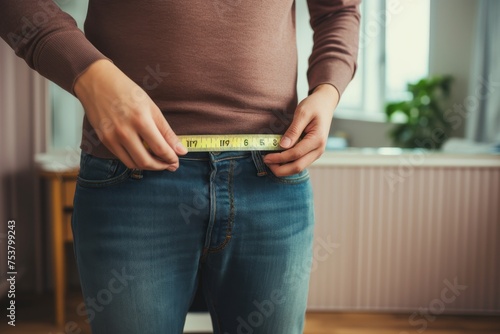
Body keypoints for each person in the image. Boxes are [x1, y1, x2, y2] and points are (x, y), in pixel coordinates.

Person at [0, 0, 360, 333]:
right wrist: (88, 74)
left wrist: (327, 91)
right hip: (129, 171)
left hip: (270, 175)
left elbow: (338, 10)